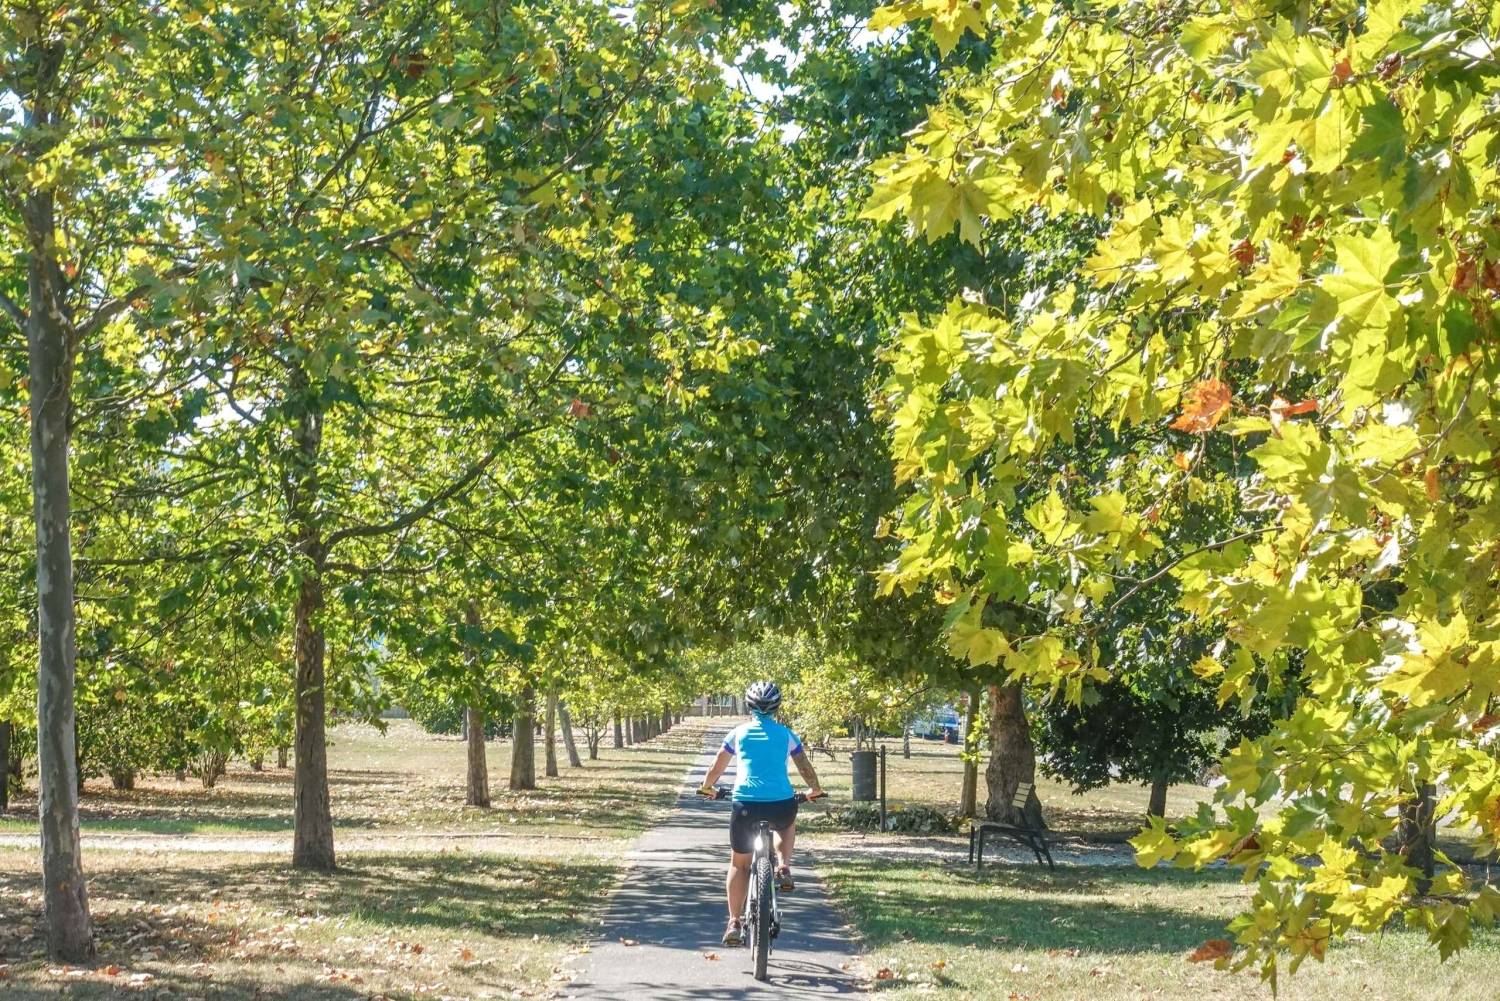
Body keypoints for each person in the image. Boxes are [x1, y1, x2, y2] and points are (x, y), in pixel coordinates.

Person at [699, 680, 823, 946]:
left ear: (749, 706)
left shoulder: (738, 733)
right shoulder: (787, 734)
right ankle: (783, 866)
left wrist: (707, 787)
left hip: (745, 805)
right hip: (781, 803)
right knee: (787, 822)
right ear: (777, 707)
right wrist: (815, 789)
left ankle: (734, 922)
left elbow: (718, 763)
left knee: (739, 864)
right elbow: (803, 765)